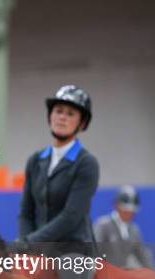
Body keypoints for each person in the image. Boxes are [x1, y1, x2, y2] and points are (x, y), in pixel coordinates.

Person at [18, 85, 99, 248]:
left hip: (74, 250)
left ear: (82, 123)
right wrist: (24, 243)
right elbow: (26, 213)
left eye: (70, 114)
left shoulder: (86, 163)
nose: (62, 117)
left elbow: (71, 216)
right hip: (38, 248)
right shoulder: (35, 161)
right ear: (50, 116)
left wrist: (30, 241)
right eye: (58, 111)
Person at [93, 185, 155, 269]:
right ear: (116, 206)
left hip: (121, 275)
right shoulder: (103, 226)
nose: (129, 213)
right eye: (125, 210)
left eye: (132, 211)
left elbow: (142, 256)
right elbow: (93, 253)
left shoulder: (134, 230)